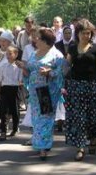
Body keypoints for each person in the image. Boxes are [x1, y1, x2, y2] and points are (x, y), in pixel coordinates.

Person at [19, 28, 64, 160]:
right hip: (34, 91)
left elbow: (62, 73)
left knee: (45, 119)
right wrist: (23, 67)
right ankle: (41, 143)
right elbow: (30, 70)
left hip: (47, 92)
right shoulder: (34, 53)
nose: (35, 39)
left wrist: (49, 73)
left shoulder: (56, 55)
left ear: (45, 41)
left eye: (37, 38)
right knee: (36, 118)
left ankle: (43, 147)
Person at [65, 19, 96, 161]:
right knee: (79, 118)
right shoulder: (72, 48)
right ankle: (80, 147)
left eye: (89, 33)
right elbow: (66, 66)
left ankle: (93, 138)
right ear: (78, 34)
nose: (86, 36)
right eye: (83, 33)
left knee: (93, 117)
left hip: (92, 87)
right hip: (75, 87)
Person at [0, 46, 23, 141]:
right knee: (4, 111)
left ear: (16, 54)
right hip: (5, 89)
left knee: (15, 110)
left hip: (15, 89)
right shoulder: (3, 66)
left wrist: (21, 83)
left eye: (10, 53)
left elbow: (21, 80)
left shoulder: (19, 67)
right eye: (7, 54)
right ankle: (3, 130)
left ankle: (15, 128)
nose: (8, 56)